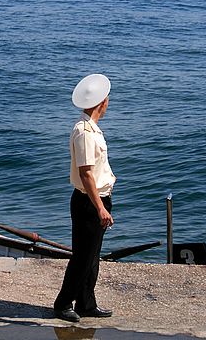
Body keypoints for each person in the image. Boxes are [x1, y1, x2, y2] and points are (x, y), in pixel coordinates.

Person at [54, 73, 116, 323]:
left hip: (98, 198)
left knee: (92, 256)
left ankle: (86, 303)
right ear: (102, 103)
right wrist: (100, 208)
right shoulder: (85, 132)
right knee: (82, 257)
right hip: (89, 201)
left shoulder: (92, 129)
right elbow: (86, 173)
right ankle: (62, 303)